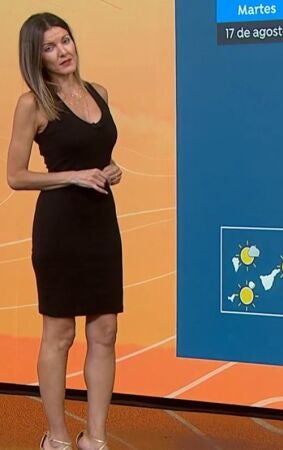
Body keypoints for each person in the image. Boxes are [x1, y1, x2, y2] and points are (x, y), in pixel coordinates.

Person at [6, 12, 123, 450]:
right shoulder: (32, 104)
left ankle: (95, 438)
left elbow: (96, 154)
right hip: (60, 227)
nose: (62, 52)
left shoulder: (99, 93)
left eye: (65, 40)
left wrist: (111, 170)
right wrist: (72, 176)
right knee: (60, 334)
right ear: (36, 58)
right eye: (50, 48)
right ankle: (56, 438)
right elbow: (16, 176)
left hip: (101, 222)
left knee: (105, 331)